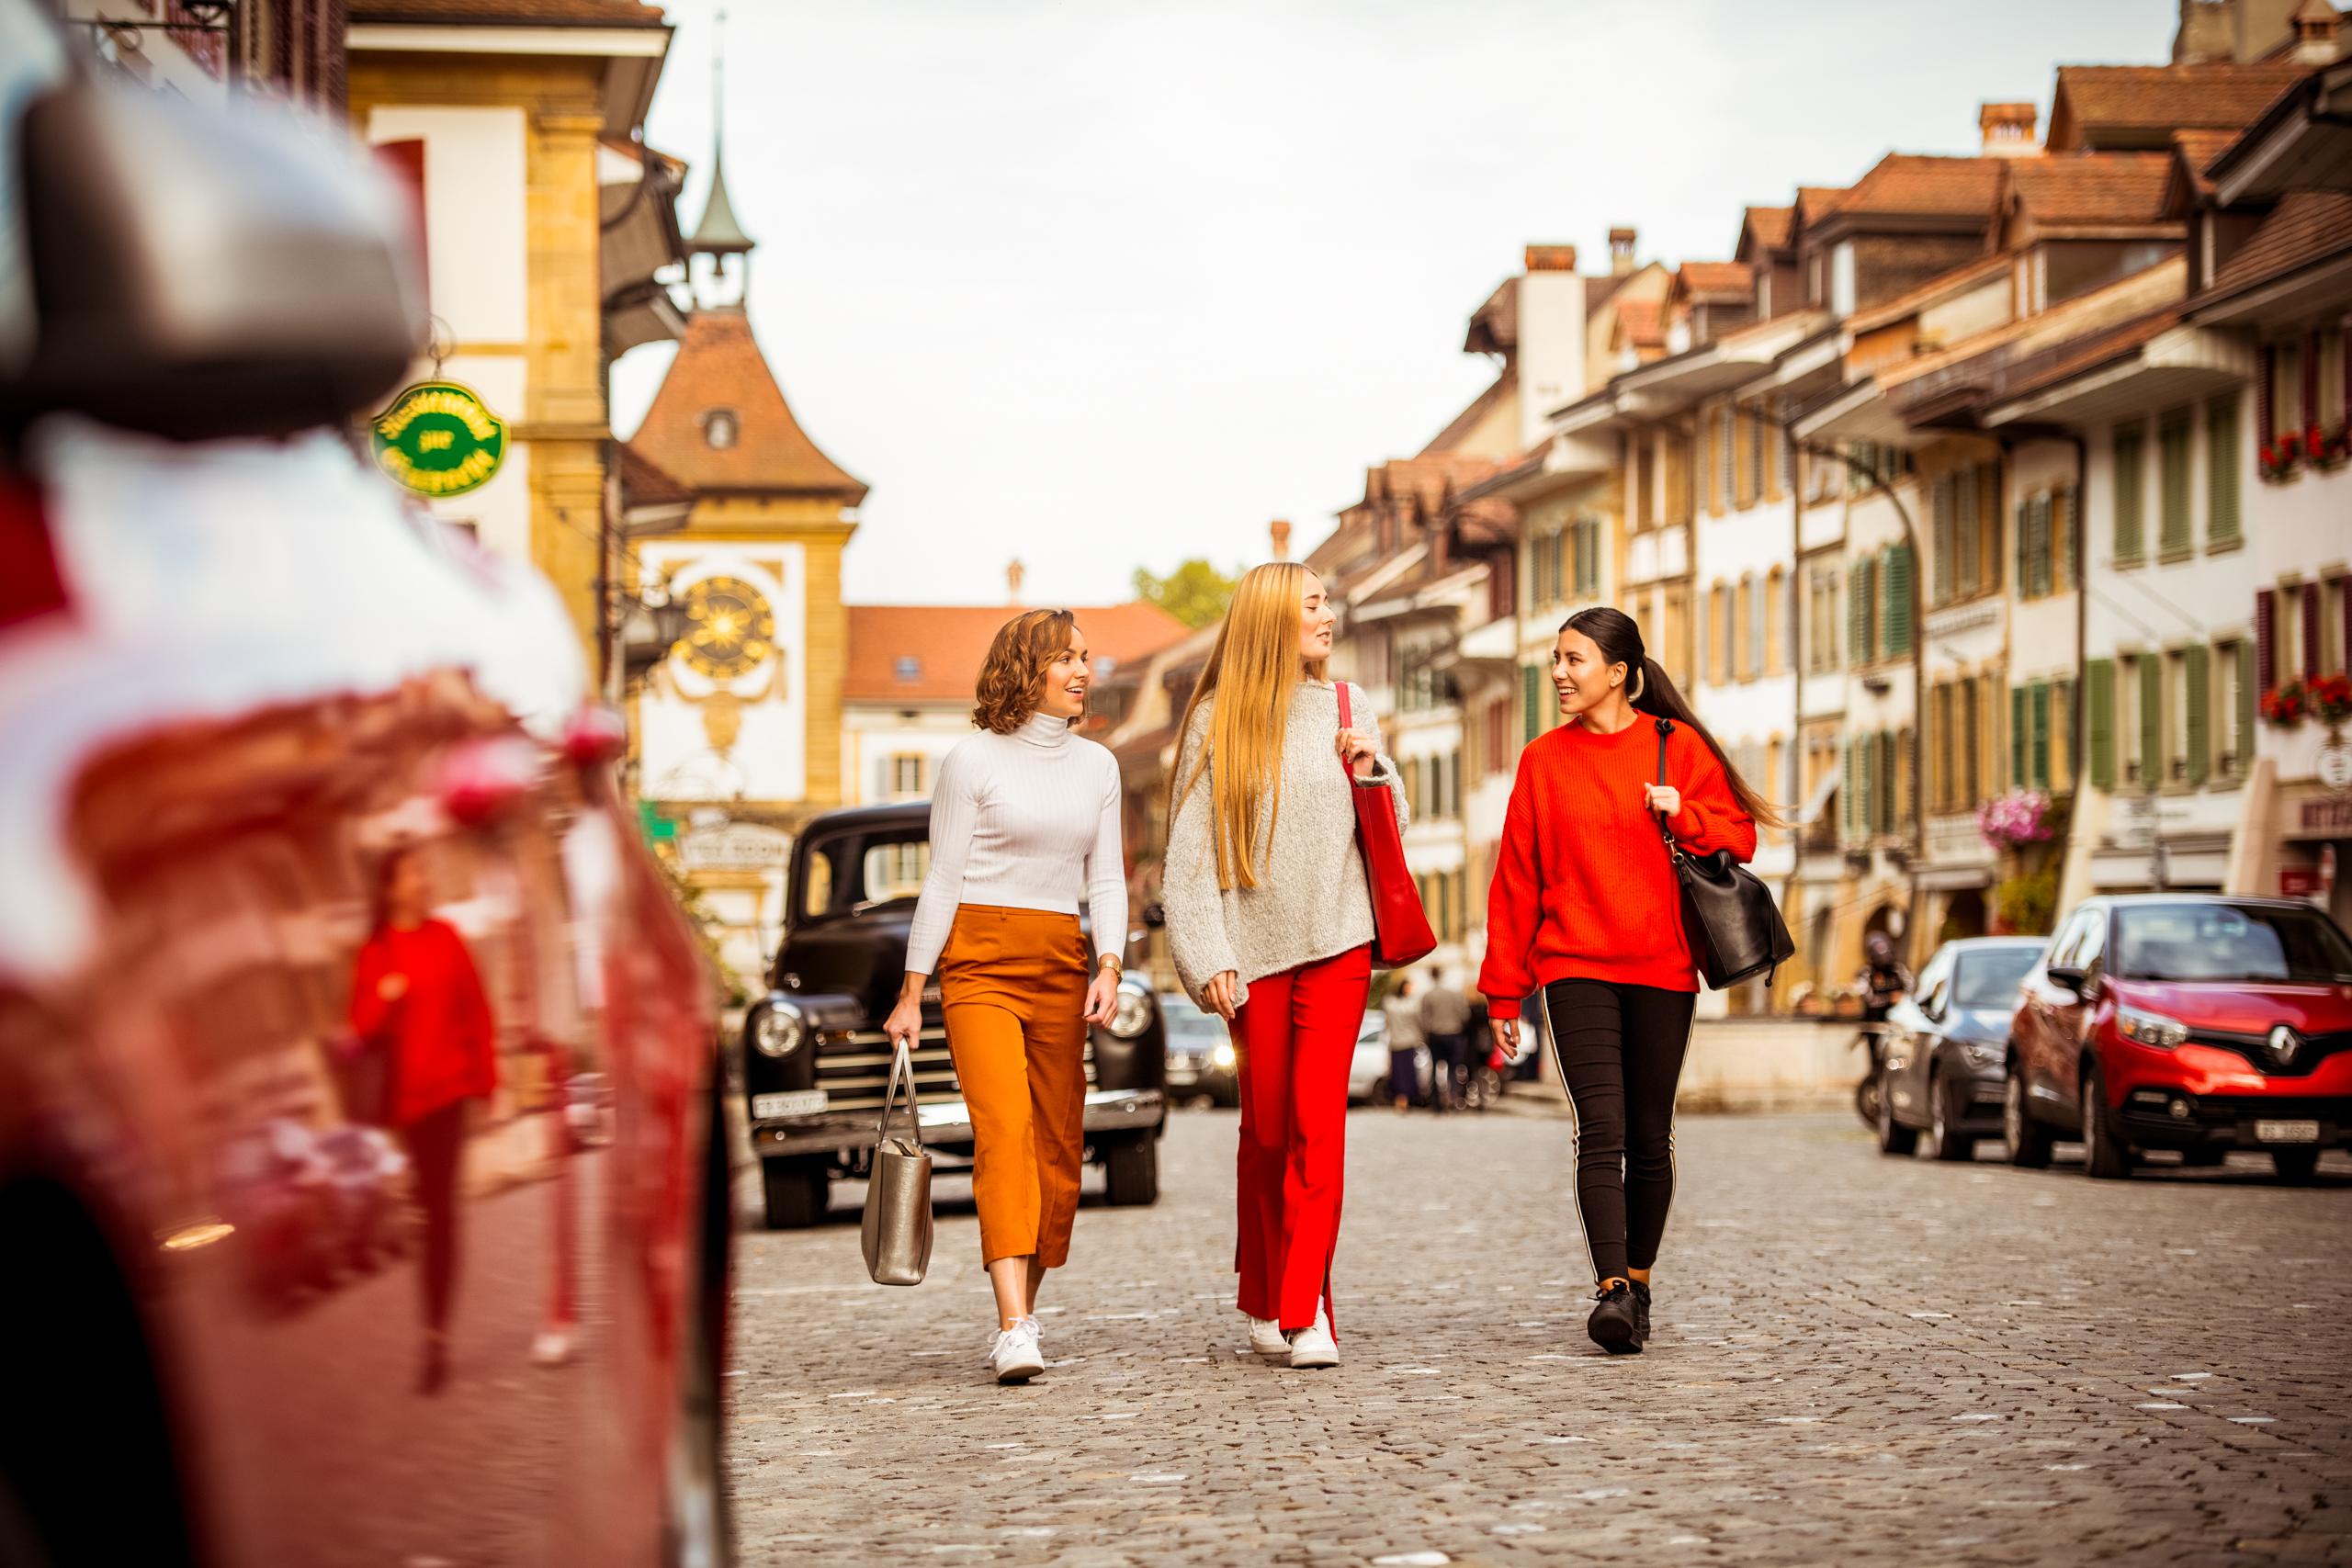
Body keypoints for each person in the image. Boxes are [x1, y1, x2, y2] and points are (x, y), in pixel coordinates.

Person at [1479, 606, 1774, 1357]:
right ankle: (1611, 1289)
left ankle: (1639, 1278)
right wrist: (1503, 990)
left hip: (1662, 967)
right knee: (1599, 1129)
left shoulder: (1676, 748)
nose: (1558, 674)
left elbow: (1740, 834)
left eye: (1574, 660)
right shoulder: (1542, 760)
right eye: (1555, 659)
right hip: (1574, 963)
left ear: (1618, 671)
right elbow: (1516, 880)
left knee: (1649, 1136)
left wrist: (1688, 812)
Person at [1162, 561, 1405, 1371]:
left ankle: (1308, 1310)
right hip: (1252, 955)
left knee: (1316, 1127)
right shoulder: (1215, 722)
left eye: (1328, 601)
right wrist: (1208, 957)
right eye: (1312, 604)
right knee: (1266, 1133)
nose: (1328, 615)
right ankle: (1265, 1295)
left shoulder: (1349, 705)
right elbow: (1189, 856)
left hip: (1339, 939)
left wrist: (1372, 765)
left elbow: (1392, 823)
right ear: (1273, 619)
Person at [884, 609, 1124, 1385]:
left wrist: (1110, 964)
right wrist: (912, 990)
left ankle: (1028, 1300)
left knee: (1058, 1148)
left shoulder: (1100, 767)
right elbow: (943, 879)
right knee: (1005, 1132)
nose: (1082, 670)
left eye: (1086, 657)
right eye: (1065, 658)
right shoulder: (971, 761)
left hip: (1061, 958)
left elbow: (1108, 878)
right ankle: (1013, 1323)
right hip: (977, 962)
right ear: (1027, 669)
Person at [348, 844, 497, 1393]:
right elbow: (359, 1028)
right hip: (411, 1105)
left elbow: (475, 1010)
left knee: (442, 1214)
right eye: (410, 873)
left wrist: (487, 1082)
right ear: (389, 888)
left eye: (422, 872)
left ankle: (437, 1336)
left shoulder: (446, 939)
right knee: (431, 1216)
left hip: (450, 1093)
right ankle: (433, 1330)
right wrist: (386, 998)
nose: (421, 880)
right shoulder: (377, 951)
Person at [1417, 969, 1471, 1111]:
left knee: (1435, 1068)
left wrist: (1427, 1032)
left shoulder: (1428, 995)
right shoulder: (1456, 993)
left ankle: (1436, 1100)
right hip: (1454, 1033)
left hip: (1436, 1034)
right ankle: (1453, 1096)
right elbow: (1465, 1014)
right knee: (1453, 1067)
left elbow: (1423, 1018)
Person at [1380, 976, 1422, 1112]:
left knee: (1398, 1073)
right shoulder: (1412, 1005)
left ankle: (1400, 1099)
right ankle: (1406, 1100)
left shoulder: (1389, 1002)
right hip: (1409, 1041)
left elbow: (1387, 1023)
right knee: (1408, 1072)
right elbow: (1419, 1022)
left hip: (1395, 1041)